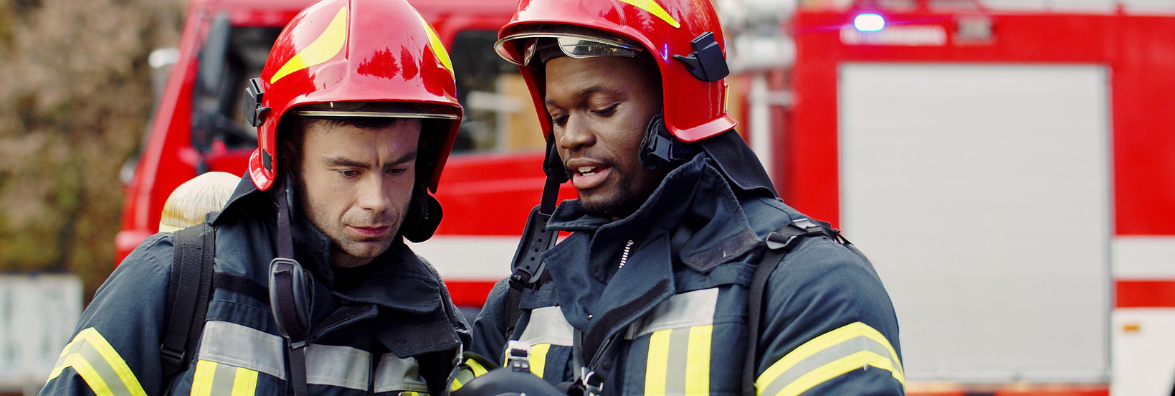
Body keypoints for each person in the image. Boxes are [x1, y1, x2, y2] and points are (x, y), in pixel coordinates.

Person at [464, 0, 904, 395]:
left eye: (601, 108)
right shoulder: (525, 294)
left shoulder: (810, 284)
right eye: (558, 116)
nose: (572, 137)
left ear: (678, 108)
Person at [40, 0, 470, 394]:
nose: (377, 200)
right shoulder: (175, 280)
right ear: (286, 155)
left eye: (397, 170)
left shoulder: (431, 315)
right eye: (348, 171)